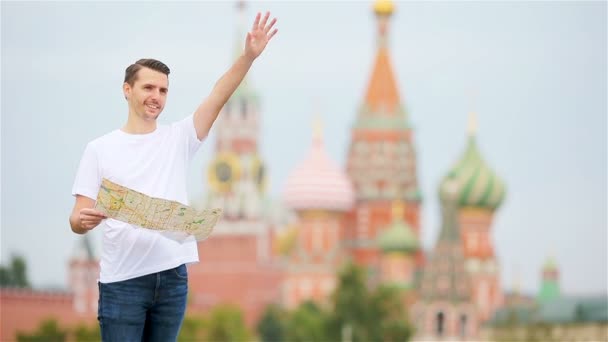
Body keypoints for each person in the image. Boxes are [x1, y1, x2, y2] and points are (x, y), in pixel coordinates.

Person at [69, 11, 277, 342]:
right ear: (127, 89)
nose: (156, 97)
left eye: (163, 91)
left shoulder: (178, 138)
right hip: (123, 281)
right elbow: (76, 218)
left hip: (172, 278)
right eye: (148, 87)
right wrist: (86, 220)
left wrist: (248, 57)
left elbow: (218, 95)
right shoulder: (100, 149)